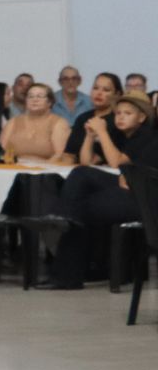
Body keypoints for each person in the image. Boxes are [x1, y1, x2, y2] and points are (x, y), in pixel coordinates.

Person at [46, 92, 157, 288]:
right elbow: (87, 162)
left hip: (145, 198)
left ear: (142, 117)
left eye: (127, 113)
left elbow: (118, 164)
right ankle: (63, 220)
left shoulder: (146, 135)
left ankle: (68, 272)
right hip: (132, 188)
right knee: (81, 176)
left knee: (79, 209)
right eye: (118, 113)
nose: (120, 117)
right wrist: (90, 136)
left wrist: (103, 133)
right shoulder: (122, 133)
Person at [0, 82, 71, 164]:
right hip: (12, 168)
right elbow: (2, 151)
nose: (34, 99)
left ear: (49, 102)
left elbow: (60, 155)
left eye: (39, 96)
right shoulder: (13, 122)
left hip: (46, 170)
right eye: (30, 96)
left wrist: (41, 170)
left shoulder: (59, 123)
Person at [70, 73, 122, 163]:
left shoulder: (118, 120)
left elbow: (93, 161)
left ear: (117, 94)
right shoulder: (82, 118)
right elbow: (69, 154)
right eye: (95, 88)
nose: (99, 93)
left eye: (106, 90)